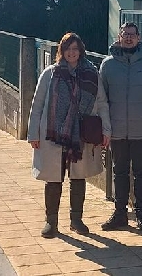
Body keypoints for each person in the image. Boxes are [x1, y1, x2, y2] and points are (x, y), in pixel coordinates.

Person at [27, 32, 111, 238]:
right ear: (62, 51)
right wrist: (33, 134)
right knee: (54, 177)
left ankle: (76, 219)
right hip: (53, 133)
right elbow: (37, 105)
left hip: (81, 134)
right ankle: (51, 221)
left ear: (80, 51)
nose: (72, 53)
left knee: (78, 176)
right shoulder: (50, 73)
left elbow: (102, 103)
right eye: (68, 49)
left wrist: (106, 130)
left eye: (75, 49)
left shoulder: (92, 74)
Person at [99, 22, 142, 231]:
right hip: (117, 130)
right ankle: (120, 213)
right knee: (119, 172)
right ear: (119, 37)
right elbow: (101, 99)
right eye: (125, 34)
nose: (128, 37)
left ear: (139, 38)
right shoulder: (108, 65)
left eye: (132, 34)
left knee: (141, 172)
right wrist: (103, 127)